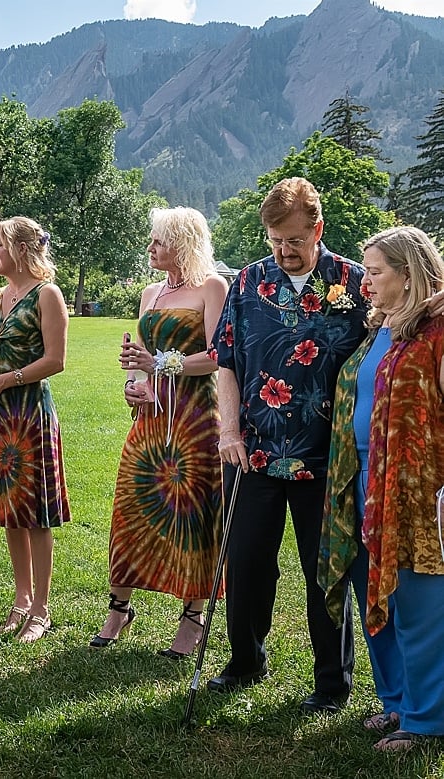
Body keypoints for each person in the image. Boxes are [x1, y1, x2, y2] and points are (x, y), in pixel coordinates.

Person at [210, 177, 368, 713]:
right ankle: (246, 658)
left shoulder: (355, 284)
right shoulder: (249, 282)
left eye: (294, 241)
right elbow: (226, 362)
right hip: (250, 452)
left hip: (326, 457)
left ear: (317, 229)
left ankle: (332, 683)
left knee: (324, 569)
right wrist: (228, 431)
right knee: (248, 560)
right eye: (274, 241)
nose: (283, 252)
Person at [319, 226, 444, 751]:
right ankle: (394, 701)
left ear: (409, 272)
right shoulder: (384, 328)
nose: (364, 282)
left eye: (375, 272)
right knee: (377, 597)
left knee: (417, 605)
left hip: (416, 489)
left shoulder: (437, 331)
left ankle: (425, 719)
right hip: (365, 480)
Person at [90, 207, 228, 656]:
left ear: (183, 242)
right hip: (150, 420)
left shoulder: (212, 287)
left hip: (194, 418)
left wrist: (163, 366)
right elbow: (141, 359)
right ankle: (120, 607)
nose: (149, 248)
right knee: (132, 507)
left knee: (190, 513)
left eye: (158, 241)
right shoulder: (150, 292)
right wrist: (136, 384)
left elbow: (217, 356)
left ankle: (192, 617)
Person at [0, 216, 71, 643]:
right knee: (10, 511)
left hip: (29, 411)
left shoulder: (47, 294)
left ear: (19, 249)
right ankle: (20, 599)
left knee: (35, 513)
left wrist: (5, 380)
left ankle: (41, 609)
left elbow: (56, 360)